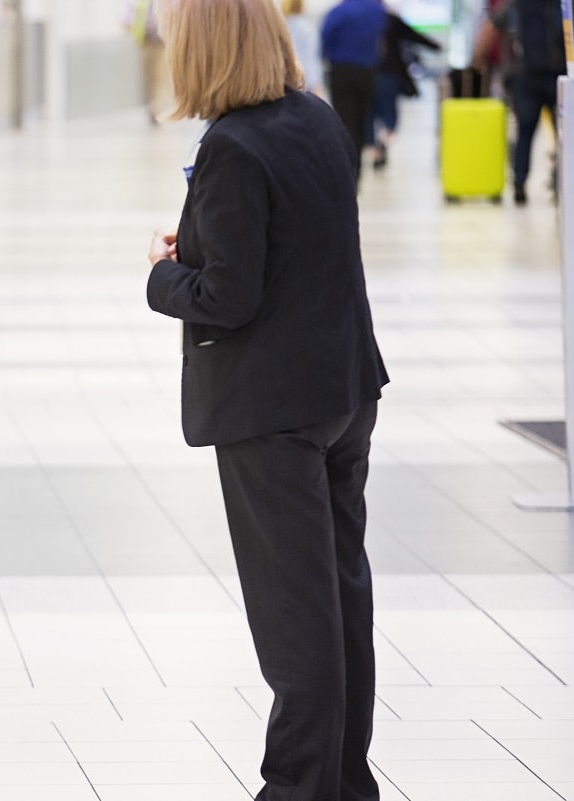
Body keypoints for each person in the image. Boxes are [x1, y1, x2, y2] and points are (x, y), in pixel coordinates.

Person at [147, 1, 390, 800]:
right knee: (341, 593)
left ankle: (295, 786)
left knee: (294, 616)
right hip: (344, 388)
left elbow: (228, 293)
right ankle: (343, 780)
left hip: (273, 408)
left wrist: (163, 273)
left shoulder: (230, 146)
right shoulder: (316, 120)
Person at [488, 0, 564, 204]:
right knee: (560, 132)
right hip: (552, 74)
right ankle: (557, 182)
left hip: (531, 74)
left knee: (527, 131)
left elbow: (495, 23)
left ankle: (521, 182)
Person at [366, 9, 441, 169]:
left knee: (370, 114)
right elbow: (412, 35)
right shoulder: (390, 19)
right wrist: (435, 46)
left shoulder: (360, 20)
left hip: (367, 73)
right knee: (390, 115)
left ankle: (373, 150)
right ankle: (383, 139)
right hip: (389, 73)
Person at [321, 0, 387, 179]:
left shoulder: (339, 11)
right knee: (362, 120)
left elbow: (325, 37)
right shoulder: (376, 10)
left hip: (342, 71)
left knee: (344, 121)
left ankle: (348, 171)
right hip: (367, 72)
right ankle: (357, 169)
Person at [125, 0, 175, 122]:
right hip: (147, 40)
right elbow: (128, 18)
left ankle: (160, 108)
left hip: (163, 41)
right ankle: (155, 108)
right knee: (150, 76)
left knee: (162, 75)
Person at [282, 0, 326, 97]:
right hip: (308, 79)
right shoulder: (307, 27)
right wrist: (316, 84)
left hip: (289, 79)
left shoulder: (283, 25)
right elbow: (311, 58)